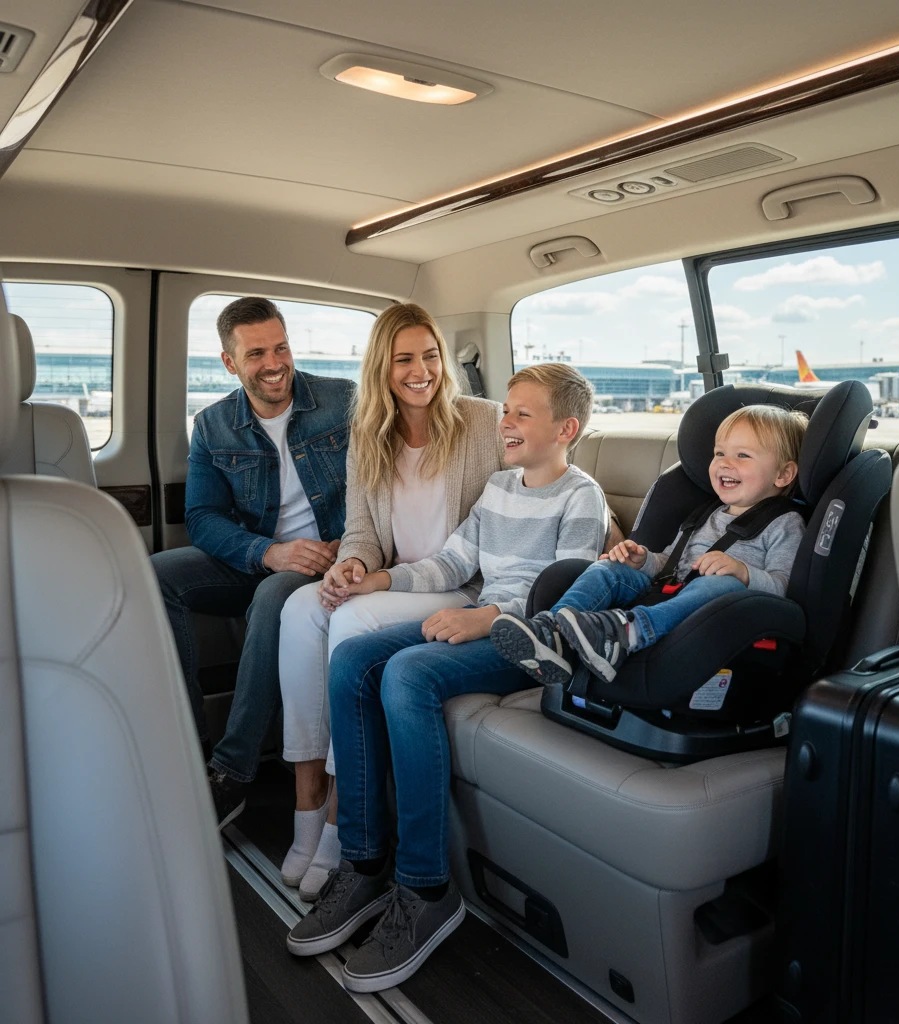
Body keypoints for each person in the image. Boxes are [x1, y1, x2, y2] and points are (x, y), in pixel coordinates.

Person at [284, 363, 607, 992]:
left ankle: (426, 888)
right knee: (352, 660)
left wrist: (488, 618)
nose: (504, 422)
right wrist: (378, 579)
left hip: (530, 639)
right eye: (506, 409)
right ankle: (365, 859)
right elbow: (454, 560)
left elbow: (573, 596)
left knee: (406, 676)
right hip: (483, 617)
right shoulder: (497, 486)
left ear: (565, 428)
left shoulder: (580, 496)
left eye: (521, 413)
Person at [276, 302, 505, 898]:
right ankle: (309, 800)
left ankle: (341, 817)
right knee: (300, 610)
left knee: (352, 619)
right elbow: (362, 531)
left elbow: (547, 479)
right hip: (397, 578)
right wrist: (352, 564)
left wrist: (611, 532)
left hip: (460, 585)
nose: (420, 370)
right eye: (404, 359)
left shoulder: (484, 420)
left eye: (430, 356)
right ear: (383, 367)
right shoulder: (368, 434)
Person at [151, 296, 355, 827]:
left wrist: (351, 545)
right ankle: (189, 750)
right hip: (256, 558)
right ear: (229, 362)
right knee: (155, 577)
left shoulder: (343, 402)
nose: (274, 363)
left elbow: (382, 484)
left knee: (271, 597)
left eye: (281, 347)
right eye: (256, 353)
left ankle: (234, 772)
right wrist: (265, 550)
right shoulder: (214, 425)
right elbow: (201, 517)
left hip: (329, 560)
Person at [490, 403, 808, 684]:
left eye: (743, 455)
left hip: (720, 617)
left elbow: (784, 586)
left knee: (719, 585)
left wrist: (742, 573)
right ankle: (552, 633)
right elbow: (670, 564)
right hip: (669, 592)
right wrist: (642, 560)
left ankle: (629, 632)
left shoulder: (784, 522)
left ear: (783, 474)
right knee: (607, 568)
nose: (725, 463)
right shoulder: (705, 513)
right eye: (720, 453)